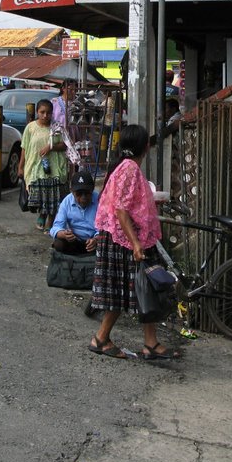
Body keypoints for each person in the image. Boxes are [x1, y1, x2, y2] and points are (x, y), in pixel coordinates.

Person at [87, 124, 180, 361]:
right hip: (125, 240)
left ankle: (150, 343)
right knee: (124, 291)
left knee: (145, 289)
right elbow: (121, 211)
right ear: (145, 147)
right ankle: (100, 338)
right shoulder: (129, 169)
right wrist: (136, 244)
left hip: (130, 238)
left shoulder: (125, 167)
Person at [18, 98, 69, 232]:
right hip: (36, 167)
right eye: (42, 112)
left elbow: (65, 145)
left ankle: (50, 221)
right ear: (37, 112)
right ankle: (42, 215)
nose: (45, 115)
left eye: (48, 113)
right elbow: (24, 148)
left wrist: (51, 147)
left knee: (53, 196)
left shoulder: (57, 127)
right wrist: (20, 166)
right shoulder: (30, 128)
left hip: (55, 168)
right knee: (40, 195)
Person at [49, 171, 99, 255]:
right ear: (72, 192)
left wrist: (96, 239)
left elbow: (106, 227)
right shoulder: (66, 202)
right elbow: (55, 228)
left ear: (92, 190)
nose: (83, 197)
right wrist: (63, 234)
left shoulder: (100, 200)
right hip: (74, 241)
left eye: (87, 193)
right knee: (59, 243)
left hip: (93, 241)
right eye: (79, 194)